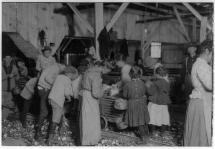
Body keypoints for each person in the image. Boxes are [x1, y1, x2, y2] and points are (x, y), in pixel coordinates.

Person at [184, 40, 213, 146]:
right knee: (200, 135)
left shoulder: (202, 64)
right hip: (201, 104)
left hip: (201, 102)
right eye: (213, 54)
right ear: (207, 51)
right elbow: (210, 85)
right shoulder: (202, 65)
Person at [79, 61, 110, 145]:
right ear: (104, 67)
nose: (107, 72)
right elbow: (96, 93)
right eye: (108, 70)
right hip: (91, 98)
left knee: (86, 119)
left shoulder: (88, 71)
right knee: (92, 120)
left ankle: (85, 140)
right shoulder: (96, 74)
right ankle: (91, 141)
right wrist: (103, 88)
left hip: (85, 95)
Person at [47, 66, 78, 145]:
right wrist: (69, 98)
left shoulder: (59, 76)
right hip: (57, 100)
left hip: (51, 98)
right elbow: (67, 93)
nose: (74, 78)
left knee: (58, 115)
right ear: (71, 74)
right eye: (74, 76)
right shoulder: (67, 80)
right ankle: (49, 140)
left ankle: (59, 132)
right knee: (55, 120)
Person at [35, 63, 65, 140]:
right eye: (63, 69)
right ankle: (38, 133)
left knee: (45, 111)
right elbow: (48, 78)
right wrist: (56, 84)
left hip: (42, 88)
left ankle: (38, 132)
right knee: (44, 111)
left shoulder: (52, 66)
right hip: (44, 89)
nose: (63, 70)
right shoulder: (56, 68)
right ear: (62, 66)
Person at [122, 66, 150, 143]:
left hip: (133, 104)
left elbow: (124, 95)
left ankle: (143, 138)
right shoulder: (142, 83)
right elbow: (145, 92)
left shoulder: (127, 85)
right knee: (143, 120)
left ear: (130, 74)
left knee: (139, 121)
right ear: (139, 74)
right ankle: (147, 134)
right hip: (142, 103)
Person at [146, 63, 171, 137]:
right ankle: (163, 132)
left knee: (152, 117)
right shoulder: (167, 83)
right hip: (163, 103)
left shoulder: (155, 83)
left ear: (157, 74)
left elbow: (151, 92)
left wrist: (147, 86)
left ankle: (153, 132)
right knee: (163, 117)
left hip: (155, 102)